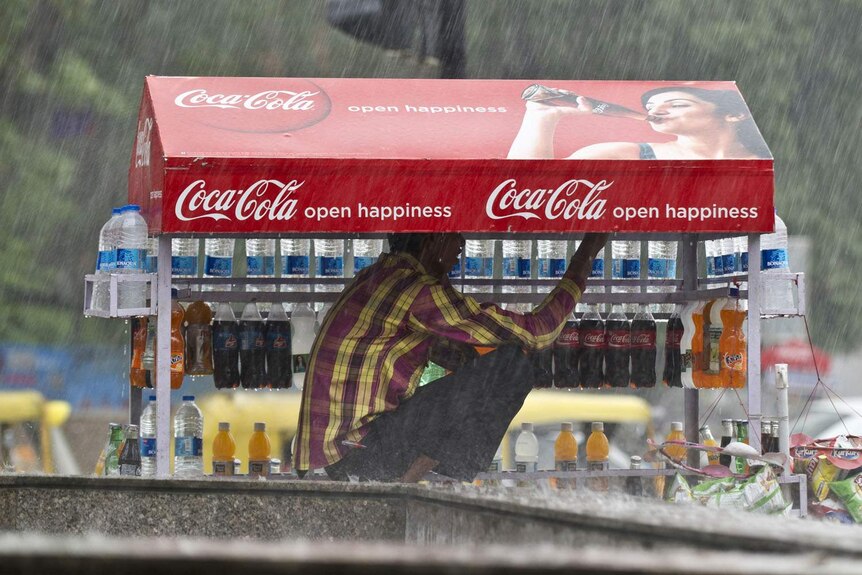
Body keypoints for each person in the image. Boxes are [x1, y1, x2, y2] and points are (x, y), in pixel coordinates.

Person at [294, 232, 607, 482]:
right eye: (456, 235)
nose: (463, 245)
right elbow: (539, 332)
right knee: (512, 364)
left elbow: (454, 357)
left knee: (491, 364)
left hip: (335, 453)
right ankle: (439, 477)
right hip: (357, 453)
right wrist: (589, 250)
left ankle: (431, 471)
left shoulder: (379, 277)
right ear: (434, 241)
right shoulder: (412, 289)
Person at [508, 85, 771, 161]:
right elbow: (528, 188)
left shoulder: (757, 166)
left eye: (678, 104)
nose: (658, 110)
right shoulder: (623, 154)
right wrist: (541, 118)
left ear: (734, 114)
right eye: (651, 107)